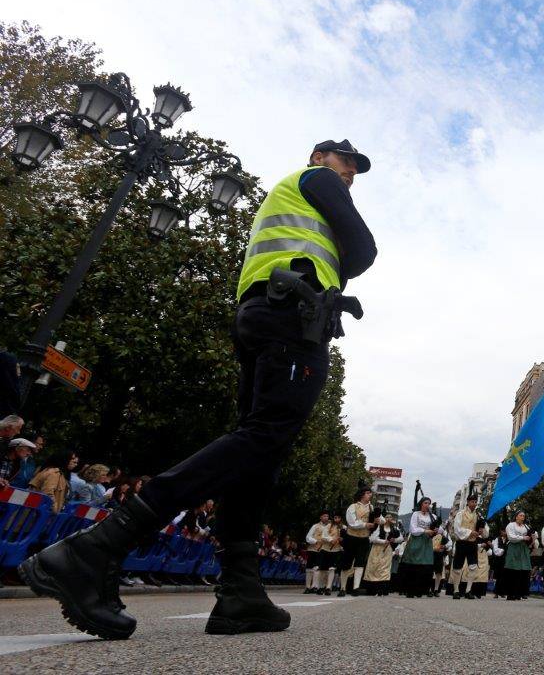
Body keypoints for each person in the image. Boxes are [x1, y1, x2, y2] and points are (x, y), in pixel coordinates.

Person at [19, 139, 376, 639]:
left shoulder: (292, 201)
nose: (350, 176)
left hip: (266, 314)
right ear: (319, 157)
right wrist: (342, 256)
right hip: (293, 314)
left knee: (258, 453)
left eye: (356, 172)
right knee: (263, 437)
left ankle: (240, 591)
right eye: (346, 164)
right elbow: (363, 249)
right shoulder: (313, 180)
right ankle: (93, 548)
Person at [400, 497, 437, 598]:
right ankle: (410, 591)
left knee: (425, 567)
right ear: (421, 504)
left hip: (427, 542)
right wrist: (425, 531)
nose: (427, 505)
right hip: (416, 541)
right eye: (425, 503)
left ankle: (421, 590)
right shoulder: (416, 514)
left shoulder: (432, 516)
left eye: (429, 503)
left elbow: (439, 528)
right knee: (414, 566)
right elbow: (413, 529)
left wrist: (435, 530)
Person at [340, 487, 373, 596]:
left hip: (364, 539)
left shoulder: (372, 507)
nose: (370, 495)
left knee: (360, 563)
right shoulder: (353, 507)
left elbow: (380, 519)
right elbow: (352, 522)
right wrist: (365, 524)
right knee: (346, 563)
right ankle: (343, 588)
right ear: (362, 494)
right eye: (368, 493)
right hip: (351, 538)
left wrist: (379, 520)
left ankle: (356, 588)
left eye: (370, 493)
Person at [451, 492, 483, 600]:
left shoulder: (478, 515)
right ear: (468, 502)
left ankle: (468, 590)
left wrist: (482, 531)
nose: (474, 504)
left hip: (472, 543)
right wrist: (470, 532)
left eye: (475, 502)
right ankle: (456, 590)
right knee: (457, 567)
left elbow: (484, 529)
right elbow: (457, 529)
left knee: (473, 566)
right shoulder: (461, 513)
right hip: (462, 542)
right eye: (472, 501)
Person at [363, 513, 402, 596]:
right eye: (387, 517)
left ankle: (382, 589)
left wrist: (394, 540)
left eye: (390, 517)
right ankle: (372, 589)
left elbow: (401, 539)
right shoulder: (378, 527)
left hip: (387, 550)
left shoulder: (395, 529)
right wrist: (383, 541)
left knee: (385, 569)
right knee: (374, 567)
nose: (388, 519)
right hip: (377, 549)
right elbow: (372, 539)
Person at [503, 511, 533, 601]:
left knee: (522, 571)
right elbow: (511, 537)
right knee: (512, 570)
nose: (522, 517)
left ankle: (518, 593)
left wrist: (532, 538)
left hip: (523, 549)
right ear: (516, 517)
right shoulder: (511, 525)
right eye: (520, 515)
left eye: (523, 516)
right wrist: (522, 538)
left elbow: (532, 536)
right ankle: (510, 593)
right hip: (514, 548)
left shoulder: (526, 526)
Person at [303, 512, 331, 595]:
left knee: (318, 568)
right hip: (313, 549)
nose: (326, 518)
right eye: (324, 516)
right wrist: (315, 541)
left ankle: (315, 586)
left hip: (323, 550)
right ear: (320, 517)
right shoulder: (315, 526)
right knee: (309, 568)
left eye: (327, 516)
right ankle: (307, 587)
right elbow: (308, 537)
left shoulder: (330, 527)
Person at [490, 529, 507, 598]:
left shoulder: (509, 540)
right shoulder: (497, 539)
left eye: (505, 531)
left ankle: (502, 592)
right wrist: (503, 550)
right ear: (501, 532)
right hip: (499, 560)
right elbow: (495, 550)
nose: (504, 532)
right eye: (503, 531)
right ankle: (496, 592)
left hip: (506, 560)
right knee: (498, 576)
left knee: (504, 576)